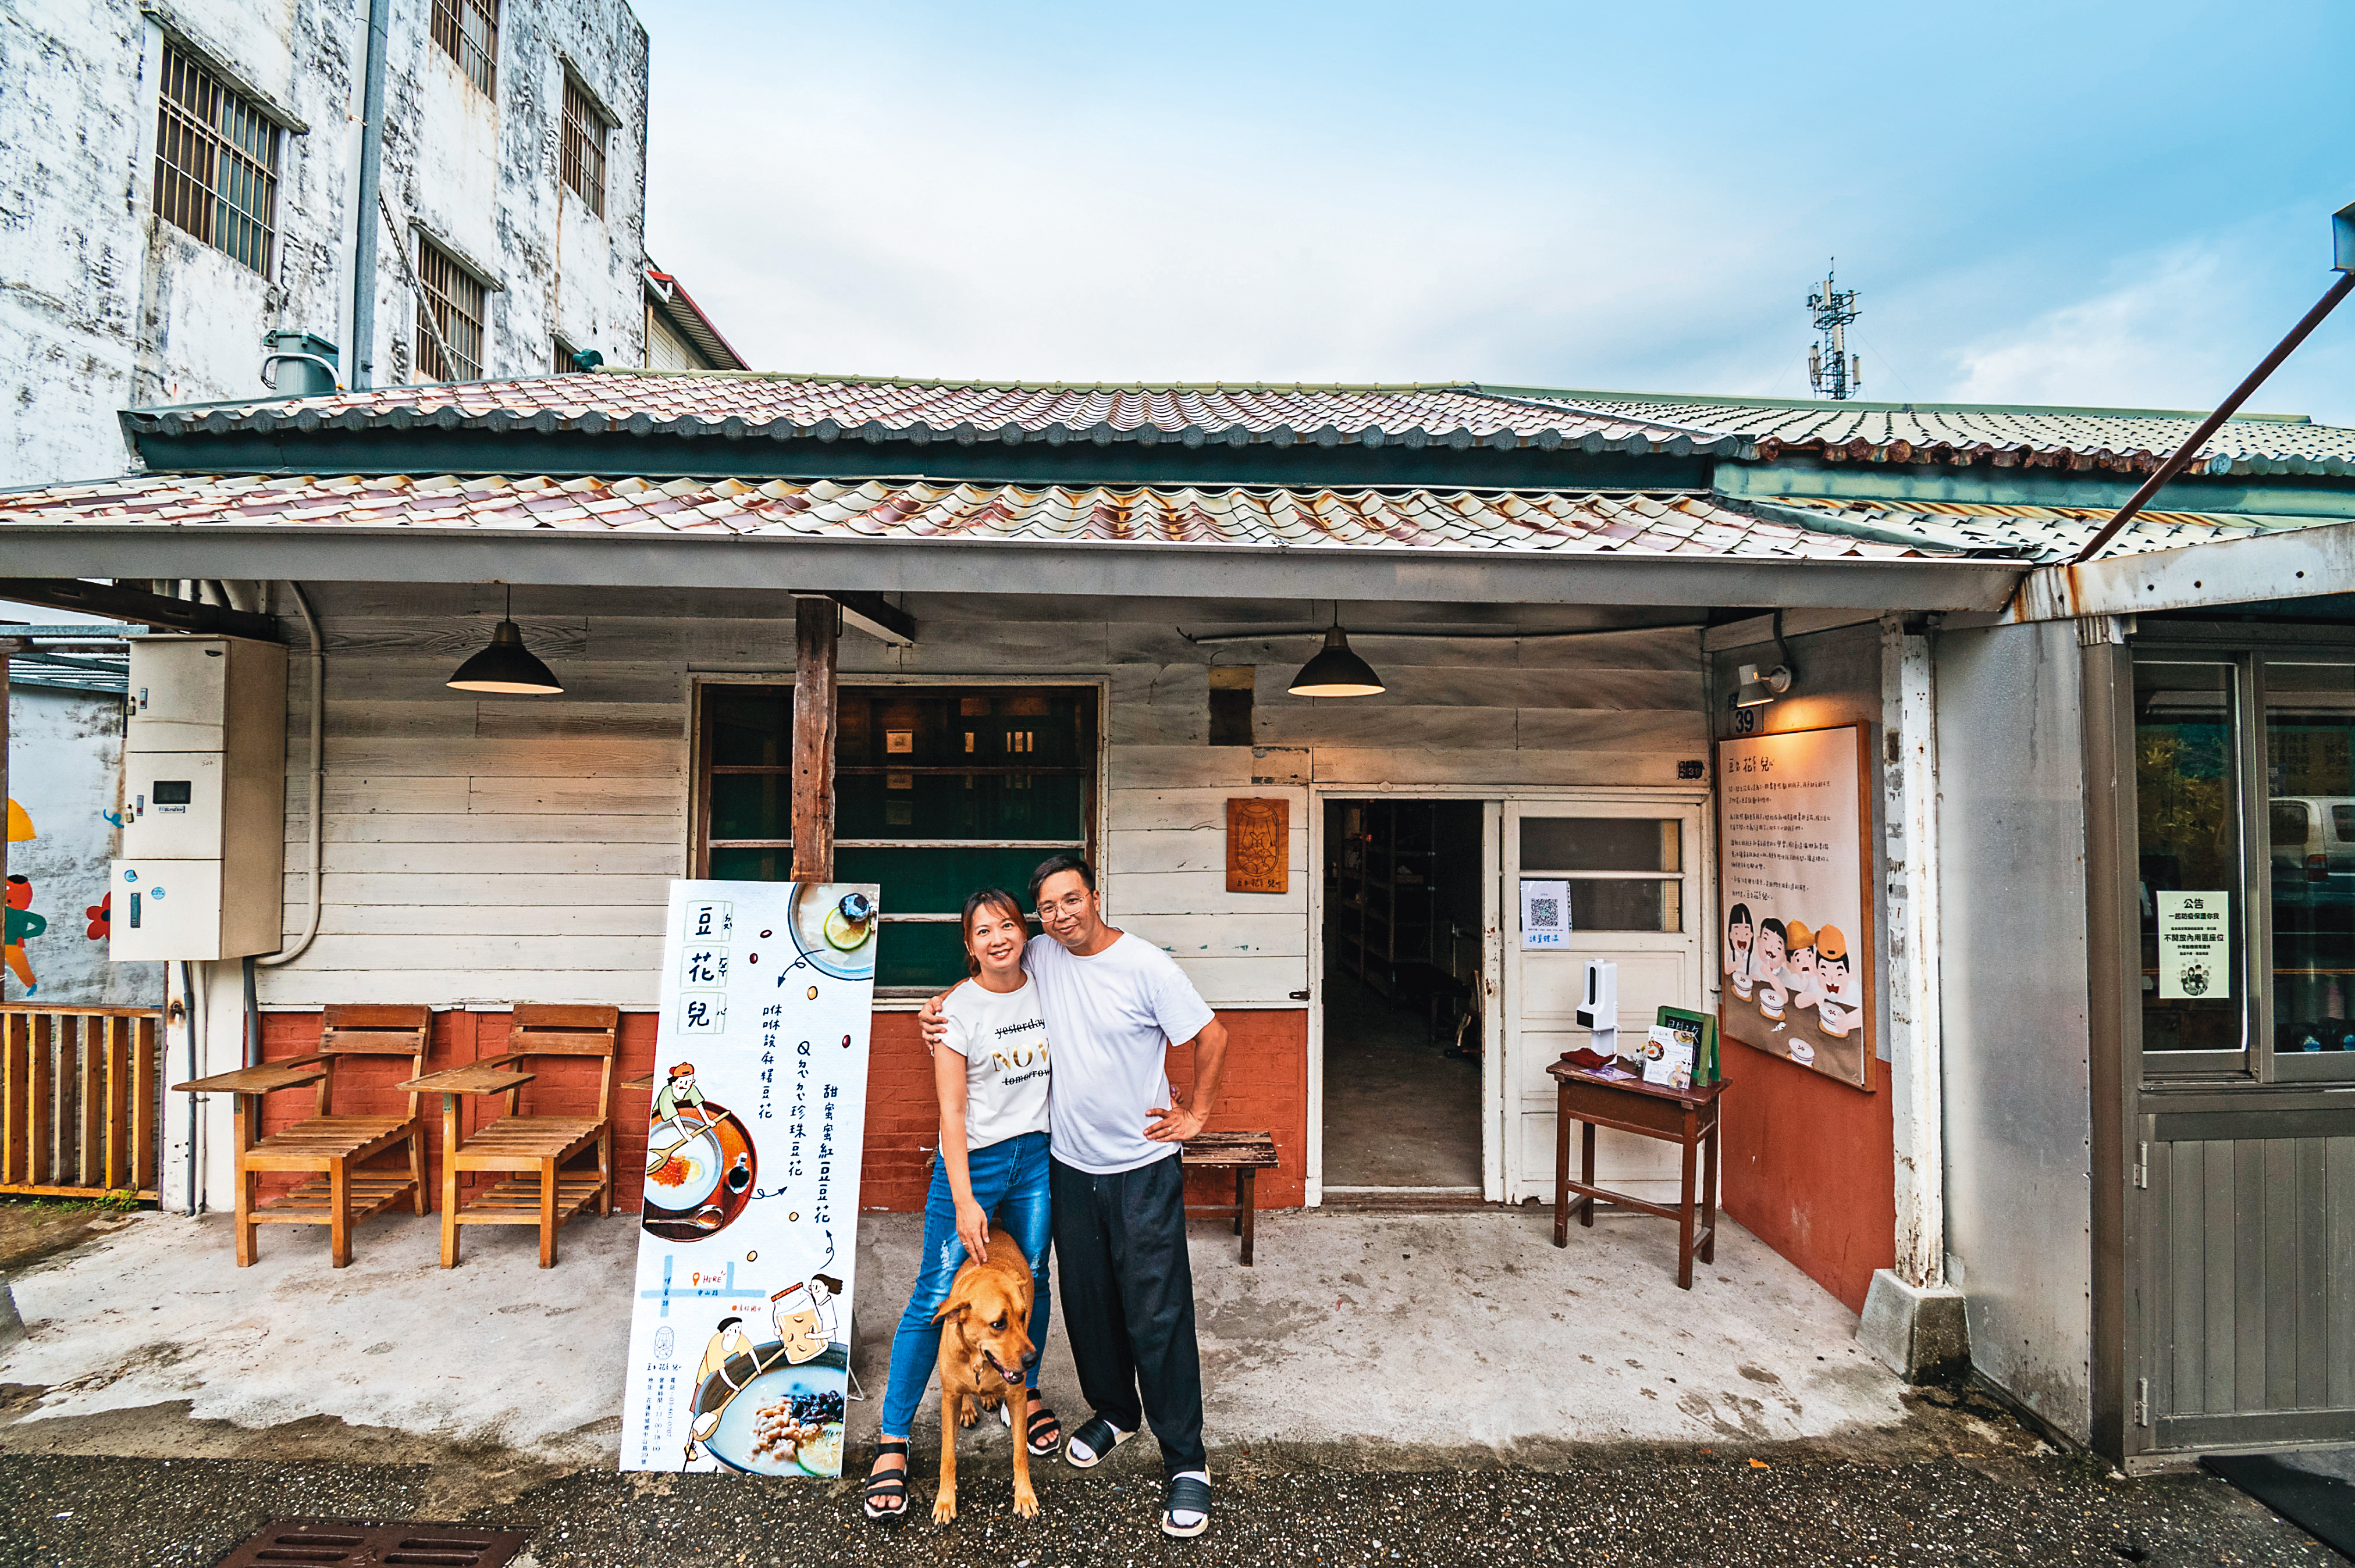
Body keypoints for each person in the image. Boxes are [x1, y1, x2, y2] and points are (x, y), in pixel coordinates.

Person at [921, 854, 1229, 1540]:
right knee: (1089, 1305)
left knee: (1157, 1310)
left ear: (1094, 895)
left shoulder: (1145, 964)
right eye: (1048, 907)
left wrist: (1196, 1115)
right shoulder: (1044, 953)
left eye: (1071, 899)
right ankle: (1116, 1411)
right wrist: (935, 1012)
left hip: (1142, 1165)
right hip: (1068, 1163)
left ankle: (1187, 1459)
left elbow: (1212, 1035)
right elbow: (986, 967)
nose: (1061, 915)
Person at [865, 888, 1058, 1523]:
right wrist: (967, 1197)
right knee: (934, 1294)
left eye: (1008, 923)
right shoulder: (954, 1008)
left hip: (1034, 1155)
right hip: (971, 1164)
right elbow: (949, 1110)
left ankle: (1016, 1390)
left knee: (1030, 1276)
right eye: (983, 930)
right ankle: (894, 1437)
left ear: (1024, 930)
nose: (998, 936)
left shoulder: (1050, 979)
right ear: (968, 944)